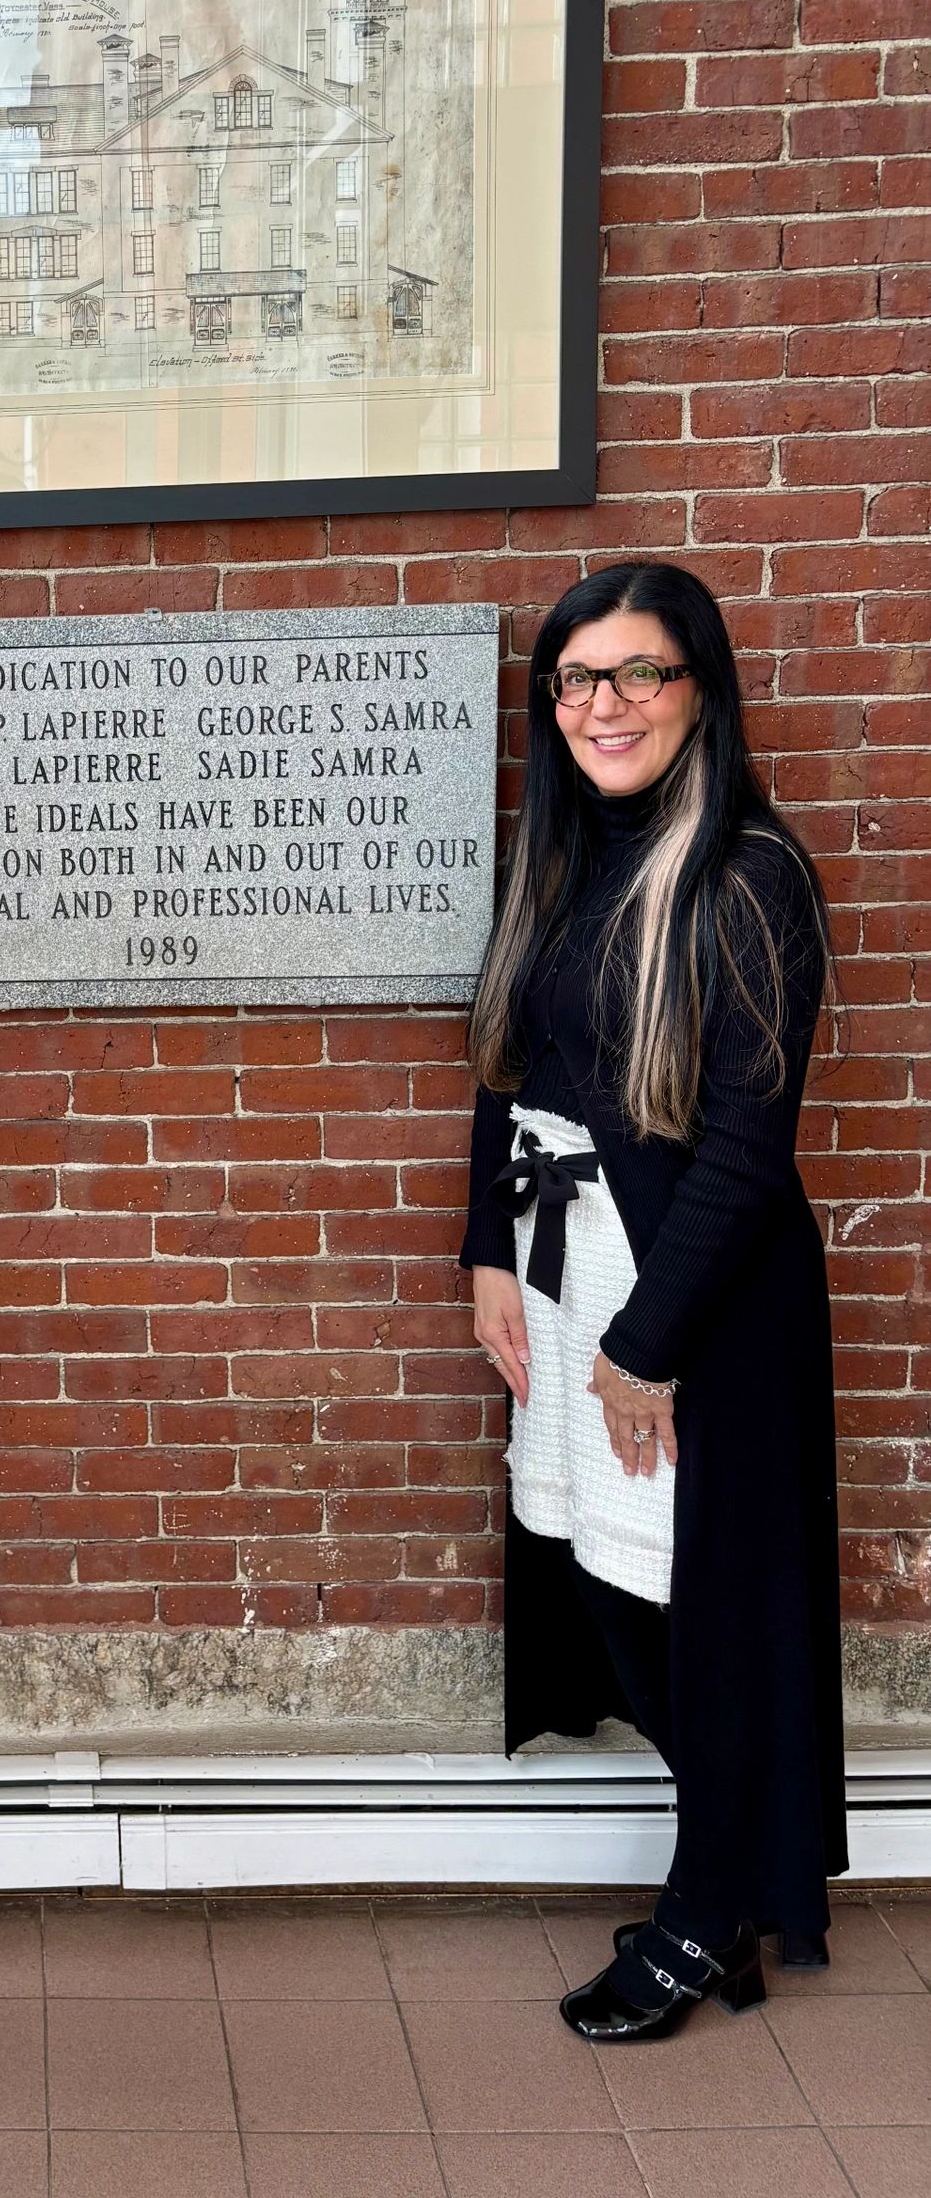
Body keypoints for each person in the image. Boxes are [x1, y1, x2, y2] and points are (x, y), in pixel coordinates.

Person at [461, 559, 843, 2041]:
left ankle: (709, 1913)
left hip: (691, 1301)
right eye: (575, 679)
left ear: (700, 691)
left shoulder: (747, 874)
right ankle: (733, 1866)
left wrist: (646, 1345)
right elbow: (503, 1062)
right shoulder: (555, 854)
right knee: (603, 1577)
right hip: (559, 1271)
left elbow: (751, 1144)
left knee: (700, 1611)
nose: (600, 706)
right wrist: (488, 1250)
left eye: (638, 674)